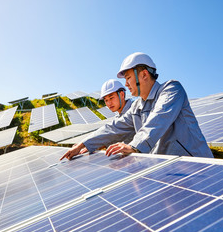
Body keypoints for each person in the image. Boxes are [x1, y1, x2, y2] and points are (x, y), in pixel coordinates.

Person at [61, 52, 214, 160]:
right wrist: (83, 144)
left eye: (128, 78)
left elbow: (159, 118)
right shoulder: (137, 107)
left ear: (144, 75)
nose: (126, 84)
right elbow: (113, 127)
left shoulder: (172, 89)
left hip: (199, 167)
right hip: (171, 169)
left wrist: (134, 146)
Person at [75, 79, 134, 155]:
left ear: (122, 95)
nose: (109, 103)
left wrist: (83, 145)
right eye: (106, 100)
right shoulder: (118, 117)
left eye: (111, 98)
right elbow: (113, 136)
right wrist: (92, 146)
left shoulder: (134, 110)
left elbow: (111, 130)